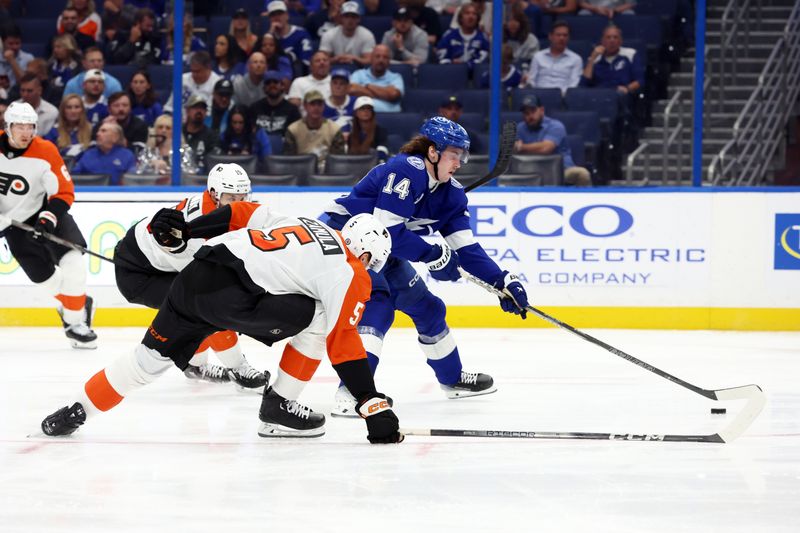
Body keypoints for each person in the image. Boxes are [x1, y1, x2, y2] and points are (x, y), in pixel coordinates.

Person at [40, 209, 403, 444]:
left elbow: (238, 214)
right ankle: (279, 407)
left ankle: (76, 410)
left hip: (195, 274)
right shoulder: (351, 270)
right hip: (234, 296)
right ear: (368, 254)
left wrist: (188, 230)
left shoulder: (303, 221)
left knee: (145, 361)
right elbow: (343, 340)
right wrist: (371, 403)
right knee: (325, 315)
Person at [320, 116, 530, 416]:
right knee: (378, 305)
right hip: (344, 241)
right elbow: (388, 229)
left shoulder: (451, 194)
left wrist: (503, 282)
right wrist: (432, 255)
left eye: (462, 155)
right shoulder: (406, 169)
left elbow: (467, 249)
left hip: (381, 251)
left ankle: (452, 379)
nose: (458, 162)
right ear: (433, 152)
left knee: (428, 307)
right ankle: (353, 394)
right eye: (453, 154)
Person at [109, 164, 268, 390]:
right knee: (208, 305)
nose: (240, 203)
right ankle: (237, 368)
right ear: (214, 194)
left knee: (204, 304)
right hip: (138, 275)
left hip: (160, 263)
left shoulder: (218, 210)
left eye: (243, 196)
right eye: (232, 197)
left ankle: (195, 365)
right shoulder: (193, 229)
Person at [0, 102, 98, 349]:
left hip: (47, 214)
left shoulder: (45, 150)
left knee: (74, 264)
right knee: (47, 282)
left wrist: (47, 219)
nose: (25, 132)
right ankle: (79, 304)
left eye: (30, 126)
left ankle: (76, 324)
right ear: (7, 126)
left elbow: (64, 192)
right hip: (13, 224)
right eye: (19, 126)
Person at [515, 94, 591, 186]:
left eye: (533, 111)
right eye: (526, 113)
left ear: (542, 110)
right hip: (531, 171)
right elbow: (513, 150)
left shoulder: (555, 126)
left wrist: (522, 147)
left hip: (562, 171)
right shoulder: (520, 128)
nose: (530, 116)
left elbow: (546, 149)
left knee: (581, 174)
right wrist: (518, 148)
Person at [284, 90, 346, 170]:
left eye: (319, 104)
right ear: (305, 106)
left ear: (323, 106)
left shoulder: (334, 129)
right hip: (300, 170)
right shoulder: (293, 129)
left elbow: (338, 160)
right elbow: (290, 160)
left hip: (327, 173)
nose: (316, 108)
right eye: (312, 104)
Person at [524, 20, 583, 93]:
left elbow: (574, 84)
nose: (562, 38)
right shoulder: (538, 56)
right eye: (558, 35)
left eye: (565, 35)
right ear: (550, 36)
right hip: (539, 96)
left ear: (568, 38)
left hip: (563, 98)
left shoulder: (576, 59)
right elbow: (531, 80)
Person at [72, 122, 137, 185]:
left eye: (103, 131)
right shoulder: (88, 154)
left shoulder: (127, 155)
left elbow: (132, 180)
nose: (97, 134)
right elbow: (74, 177)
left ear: (115, 137)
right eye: (98, 131)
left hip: (118, 194)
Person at [349, 45, 404, 113]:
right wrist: (385, 93)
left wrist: (367, 86)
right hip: (361, 117)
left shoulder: (396, 77)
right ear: (371, 59)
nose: (381, 60)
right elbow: (352, 90)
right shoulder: (359, 74)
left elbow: (393, 95)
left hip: (390, 118)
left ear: (389, 61)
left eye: (385, 57)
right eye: (377, 56)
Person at [318, 1, 375, 67]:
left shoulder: (367, 35)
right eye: (346, 16)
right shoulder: (329, 35)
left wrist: (354, 59)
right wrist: (336, 59)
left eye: (353, 17)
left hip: (359, 71)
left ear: (358, 19)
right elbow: (322, 60)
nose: (350, 20)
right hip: (334, 70)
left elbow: (370, 61)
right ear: (341, 18)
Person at [436, 2, 490, 71]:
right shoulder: (449, 35)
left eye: (474, 14)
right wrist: (451, 63)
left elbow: (483, 61)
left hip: (474, 77)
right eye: (467, 13)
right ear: (461, 17)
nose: (471, 17)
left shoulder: (482, 37)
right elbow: (441, 58)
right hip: (451, 73)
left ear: (477, 18)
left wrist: (466, 66)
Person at [250, 71, 302, 136]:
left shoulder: (292, 110)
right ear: (264, 88)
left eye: (275, 82)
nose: (272, 85)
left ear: (282, 86)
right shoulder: (255, 108)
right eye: (268, 83)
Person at [266, 0, 314, 71]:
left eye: (280, 14)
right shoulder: (269, 36)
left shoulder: (301, 33)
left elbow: (306, 61)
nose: (277, 17)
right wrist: (270, 33)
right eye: (273, 15)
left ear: (287, 16)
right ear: (269, 19)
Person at [44, 94, 93, 158]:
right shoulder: (54, 131)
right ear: (63, 111)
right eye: (69, 107)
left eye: (77, 107)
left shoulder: (91, 130)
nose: (73, 111)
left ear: (82, 110)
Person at [182, 95, 221, 172]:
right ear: (187, 111)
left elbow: (214, 161)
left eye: (202, 108)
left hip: (202, 178)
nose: (199, 111)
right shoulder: (178, 132)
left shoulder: (212, 136)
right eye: (195, 107)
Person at [347, 96, 388, 162]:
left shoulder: (380, 132)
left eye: (369, 108)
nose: (366, 111)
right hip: (353, 167)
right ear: (356, 112)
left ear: (372, 112)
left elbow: (382, 154)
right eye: (362, 108)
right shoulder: (351, 133)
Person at [0, 24, 34, 90]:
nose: (15, 47)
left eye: (17, 43)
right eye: (11, 44)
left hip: (20, 97)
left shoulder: (29, 58)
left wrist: (12, 61)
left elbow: (27, 84)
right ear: (3, 42)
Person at [323, 68, 356, 133]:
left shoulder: (356, 102)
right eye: (335, 83)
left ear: (348, 87)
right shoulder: (321, 105)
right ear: (330, 85)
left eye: (342, 83)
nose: (338, 86)